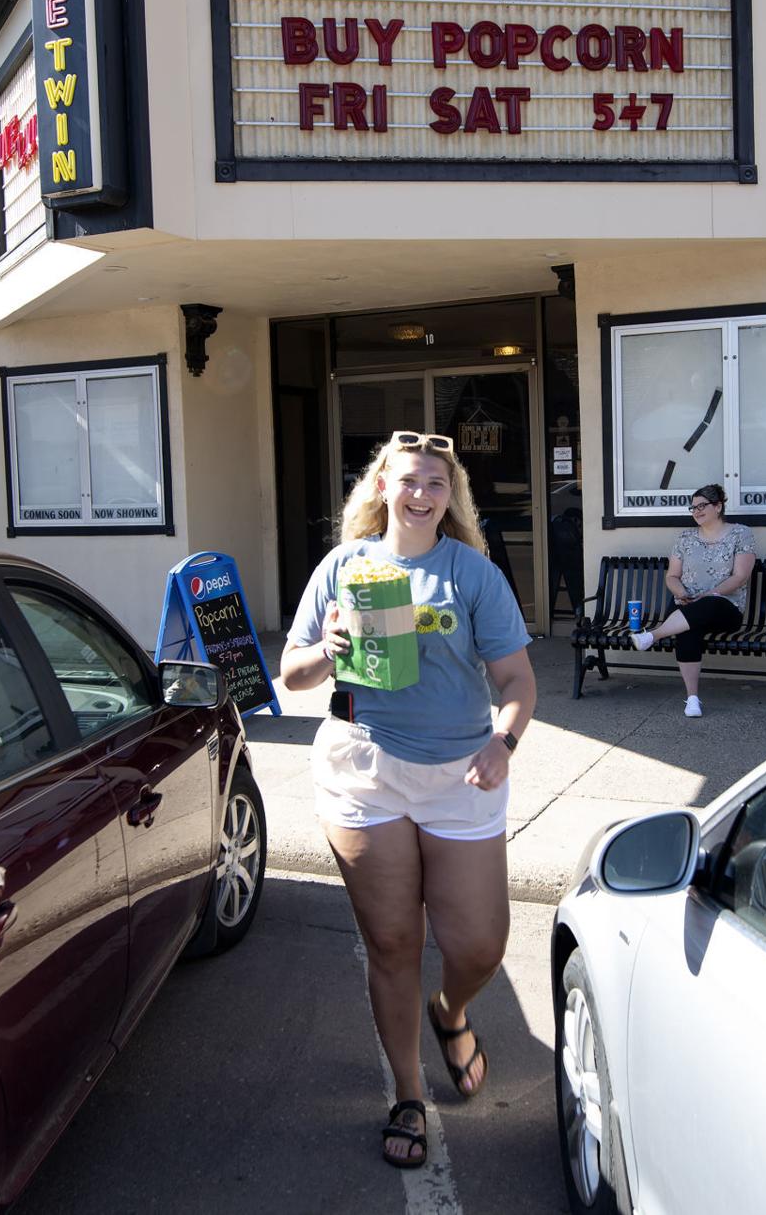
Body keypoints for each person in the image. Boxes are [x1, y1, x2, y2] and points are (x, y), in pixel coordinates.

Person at [281, 430, 536, 1172]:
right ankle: (406, 1091)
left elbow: (518, 682)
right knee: (392, 941)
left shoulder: (472, 574)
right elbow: (290, 675)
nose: (421, 494)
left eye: (435, 482)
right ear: (382, 488)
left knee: (479, 945)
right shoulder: (345, 568)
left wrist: (503, 741)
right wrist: (326, 652)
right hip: (365, 767)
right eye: (408, 480)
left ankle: (450, 1010)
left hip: (461, 773)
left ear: (449, 494)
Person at [630, 482, 756, 718]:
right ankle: (692, 699)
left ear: (718, 507)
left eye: (702, 506)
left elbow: (740, 577)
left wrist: (708, 594)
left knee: (705, 607)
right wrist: (679, 592)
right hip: (686, 605)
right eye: (693, 507)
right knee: (688, 628)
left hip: (724, 606)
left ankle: (652, 635)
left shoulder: (741, 533)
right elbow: (672, 576)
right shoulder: (685, 537)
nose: (696, 511)